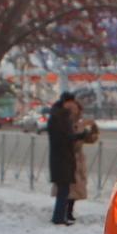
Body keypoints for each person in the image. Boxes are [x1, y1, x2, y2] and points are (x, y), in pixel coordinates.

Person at [45, 92, 82, 225]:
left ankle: (60, 216)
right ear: (66, 102)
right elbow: (64, 138)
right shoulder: (60, 117)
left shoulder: (58, 115)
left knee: (64, 189)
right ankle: (59, 218)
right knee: (63, 190)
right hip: (61, 158)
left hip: (62, 158)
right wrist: (79, 136)